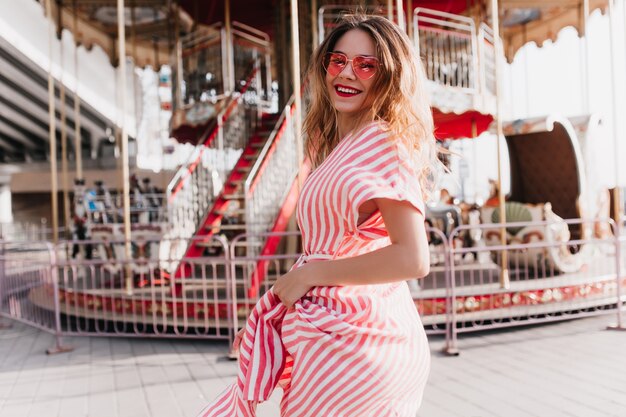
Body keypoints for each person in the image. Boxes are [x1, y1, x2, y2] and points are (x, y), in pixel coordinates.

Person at [197, 14, 437, 417]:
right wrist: (273, 315)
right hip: (340, 338)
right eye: (338, 60)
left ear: (388, 76)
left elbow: (413, 257)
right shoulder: (345, 146)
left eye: (366, 65)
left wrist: (306, 277)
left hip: (358, 346)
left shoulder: (381, 143)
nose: (347, 73)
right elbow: (329, 251)